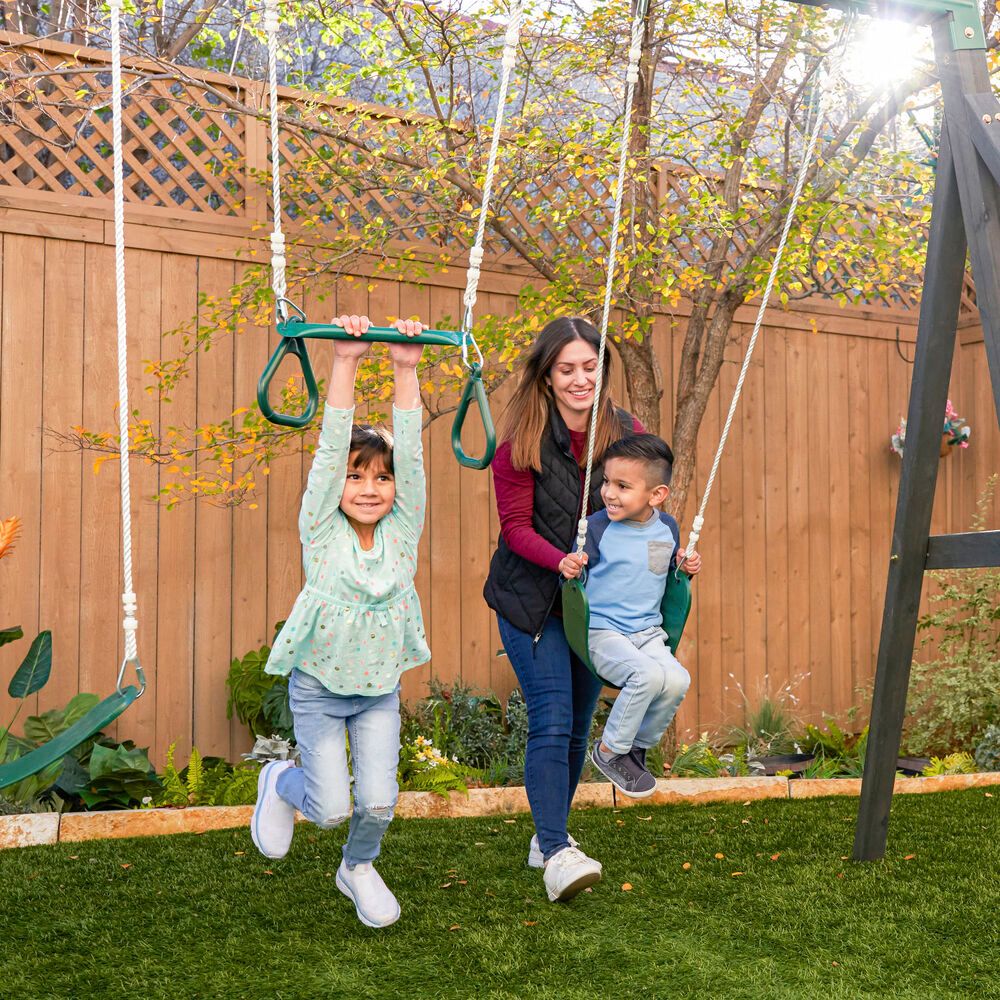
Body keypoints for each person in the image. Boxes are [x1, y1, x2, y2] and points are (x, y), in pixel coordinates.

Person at [250, 312, 428, 929]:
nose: (369, 487)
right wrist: (346, 360)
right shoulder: (321, 530)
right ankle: (280, 780)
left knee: (377, 802)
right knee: (327, 809)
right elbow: (330, 450)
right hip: (320, 690)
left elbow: (412, 454)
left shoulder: (403, 532)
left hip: (378, 691)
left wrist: (405, 367)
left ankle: (358, 866)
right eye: (356, 476)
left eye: (381, 477)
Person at [484, 316, 656, 903]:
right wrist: (560, 560)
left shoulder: (627, 434)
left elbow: (644, 512)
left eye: (590, 366)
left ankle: (545, 836)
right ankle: (558, 852)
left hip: (593, 607)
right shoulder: (520, 444)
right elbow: (514, 530)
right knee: (553, 716)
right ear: (547, 377)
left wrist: (672, 555)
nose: (581, 379)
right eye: (567, 369)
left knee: (580, 723)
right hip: (532, 601)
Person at [561, 433, 699, 798]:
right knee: (646, 676)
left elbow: (666, 573)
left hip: (647, 632)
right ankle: (609, 751)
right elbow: (573, 579)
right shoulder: (596, 528)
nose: (609, 493)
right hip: (601, 631)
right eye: (607, 481)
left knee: (676, 680)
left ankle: (634, 749)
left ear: (656, 495)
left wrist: (684, 567)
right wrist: (571, 568)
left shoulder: (667, 528)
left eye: (622, 486)